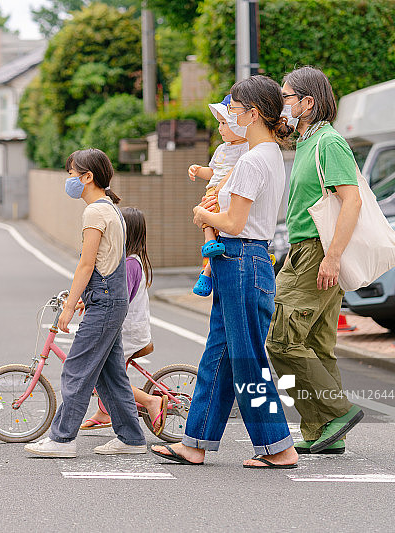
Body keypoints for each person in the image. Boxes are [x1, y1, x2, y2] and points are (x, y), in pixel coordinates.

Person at [151, 75, 298, 468]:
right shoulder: (268, 155)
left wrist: (202, 213)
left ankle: (279, 447)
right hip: (244, 261)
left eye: (234, 109)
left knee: (247, 358)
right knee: (220, 355)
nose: (230, 115)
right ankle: (194, 444)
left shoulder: (252, 160)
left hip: (240, 258)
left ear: (252, 114)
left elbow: (233, 222)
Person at [265, 66, 363, 455]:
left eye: (287, 97)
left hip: (317, 251)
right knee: (317, 343)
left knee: (281, 340)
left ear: (308, 102)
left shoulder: (329, 142)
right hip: (308, 250)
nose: (282, 104)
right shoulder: (306, 141)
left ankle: (336, 412)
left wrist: (333, 257)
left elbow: (351, 200)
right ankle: (323, 428)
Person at [25, 148, 148, 458]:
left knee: (76, 370)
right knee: (110, 375)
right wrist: (87, 298)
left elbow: (87, 264)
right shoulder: (112, 209)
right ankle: (131, 438)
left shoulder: (95, 212)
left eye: (71, 174)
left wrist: (70, 305)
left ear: (87, 177)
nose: (69, 180)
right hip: (110, 298)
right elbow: (109, 262)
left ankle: (62, 439)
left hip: (105, 301)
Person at [79, 207, 168, 435]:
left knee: (105, 374)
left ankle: (150, 401)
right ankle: (104, 412)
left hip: (128, 333)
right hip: (128, 330)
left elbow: (118, 299)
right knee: (103, 370)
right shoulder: (132, 261)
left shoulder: (129, 264)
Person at [189, 95, 249, 297]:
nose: (220, 128)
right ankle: (208, 247)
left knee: (212, 217)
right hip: (212, 189)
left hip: (229, 192)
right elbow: (212, 172)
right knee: (207, 213)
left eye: (224, 123)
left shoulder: (247, 148)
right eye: (219, 123)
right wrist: (198, 171)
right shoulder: (221, 149)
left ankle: (206, 272)